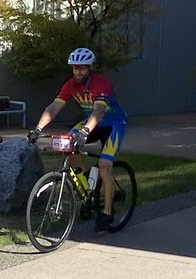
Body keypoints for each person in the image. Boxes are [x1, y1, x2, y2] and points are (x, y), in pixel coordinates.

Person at [28, 48, 127, 232]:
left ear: (89, 68)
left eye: (82, 68)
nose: (77, 72)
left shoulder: (100, 83)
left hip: (112, 123)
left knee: (105, 165)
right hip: (90, 123)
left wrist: (85, 132)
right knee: (68, 148)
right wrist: (37, 129)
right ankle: (90, 189)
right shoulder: (71, 84)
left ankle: (107, 213)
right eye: (75, 68)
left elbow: (98, 111)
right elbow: (54, 107)